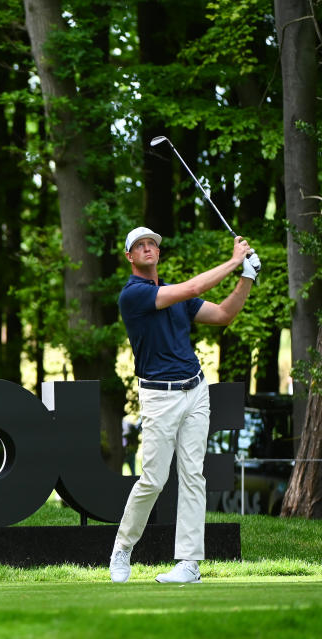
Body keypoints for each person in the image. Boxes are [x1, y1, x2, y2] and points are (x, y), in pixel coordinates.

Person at [109, 226, 260, 584]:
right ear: (130, 257)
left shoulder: (175, 297)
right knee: (154, 479)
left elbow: (224, 314)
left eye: (152, 244)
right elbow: (192, 288)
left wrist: (247, 277)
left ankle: (189, 564)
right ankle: (122, 548)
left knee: (194, 475)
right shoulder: (134, 295)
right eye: (140, 245)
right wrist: (234, 261)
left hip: (195, 390)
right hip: (159, 396)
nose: (148, 248)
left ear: (158, 254)